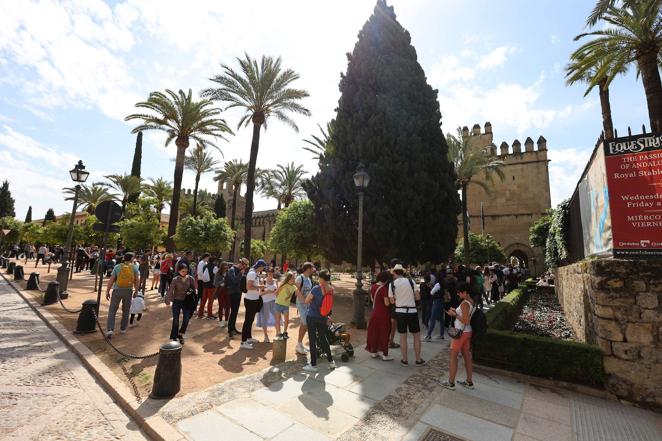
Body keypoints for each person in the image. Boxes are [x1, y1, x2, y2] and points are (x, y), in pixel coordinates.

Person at [440, 282, 476, 390]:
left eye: (459, 292)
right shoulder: (471, 301)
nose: (458, 294)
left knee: (453, 357)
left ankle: (451, 382)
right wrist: (456, 312)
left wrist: (454, 314)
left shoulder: (465, 303)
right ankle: (469, 382)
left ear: (465, 292)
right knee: (467, 356)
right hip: (467, 332)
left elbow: (466, 320)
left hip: (460, 332)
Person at [388, 263, 424, 366]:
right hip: (412, 311)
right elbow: (418, 298)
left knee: (402, 336)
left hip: (400, 312)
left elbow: (391, 302)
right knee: (416, 336)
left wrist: (398, 298)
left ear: (394, 273)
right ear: (403, 272)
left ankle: (405, 360)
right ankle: (418, 359)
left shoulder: (392, 284)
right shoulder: (411, 281)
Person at [303, 270, 336, 372]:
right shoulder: (331, 289)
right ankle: (331, 361)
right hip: (323, 317)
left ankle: (313, 365)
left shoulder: (316, 288)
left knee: (312, 340)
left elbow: (306, 301)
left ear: (321, 278)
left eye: (319, 277)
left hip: (312, 316)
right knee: (323, 338)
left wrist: (313, 300)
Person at [105, 253, 139, 339]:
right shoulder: (134, 267)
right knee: (126, 310)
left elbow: (111, 280)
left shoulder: (117, 266)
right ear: (131, 258)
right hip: (128, 290)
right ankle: (123, 328)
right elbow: (137, 280)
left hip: (117, 290)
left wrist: (108, 291)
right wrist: (136, 291)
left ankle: (110, 329)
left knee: (112, 310)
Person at [165, 262, 196, 344]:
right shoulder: (175, 279)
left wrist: (190, 293)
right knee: (176, 320)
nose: (184, 273)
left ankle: (180, 334)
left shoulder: (191, 279)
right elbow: (170, 289)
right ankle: (174, 337)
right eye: (182, 271)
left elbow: (194, 289)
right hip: (177, 301)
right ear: (178, 271)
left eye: (186, 271)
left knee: (186, 319)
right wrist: (168, 300)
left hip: (187, 302)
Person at [365, 270, 393, 361]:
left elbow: (373, 300)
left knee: (375, 333)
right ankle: (385, 354)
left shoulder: (373, 287)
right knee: (384, 333)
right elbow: (387, 303)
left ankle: (374, 351)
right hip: (383, 314)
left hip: (375, 313)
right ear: (386, 279)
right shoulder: (383, 289)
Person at [241, 259, 267, 349]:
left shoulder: (255, 273)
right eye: (263, 267)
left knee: (250, 320)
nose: (263, 269)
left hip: (254, 299)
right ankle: (243, 341)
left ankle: (248, 338)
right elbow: (248, 287)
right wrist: (260, 286)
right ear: (259, 266)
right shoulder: (252, 273)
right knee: (248, 320)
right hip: (250, 300)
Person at [295, 262, 315, 355]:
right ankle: (299, 345)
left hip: (307, 305)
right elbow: (296, 291)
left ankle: (299, 344)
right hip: (301, 304)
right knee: (305, 323)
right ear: (308, 269)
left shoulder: (309, 279)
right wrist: (304, 300)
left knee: (303, 324)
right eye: (312, 268)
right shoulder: (300, 278)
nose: (313, 269)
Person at [226, 258, 249, 338]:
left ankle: (233, 328)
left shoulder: (240, 270)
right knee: (232, 312)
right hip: (232, 293)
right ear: (242, 264)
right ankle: (230, 330)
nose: (245, 268)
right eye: (245, 266)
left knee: (235, 312)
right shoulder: (232, 269)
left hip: (238, 293)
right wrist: (240, 274)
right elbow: (234, 281)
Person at [256, 268, 278, 342]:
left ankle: (278, 334)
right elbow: (260, 293)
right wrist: (268, 291)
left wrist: (275, 292)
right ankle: (266, 336)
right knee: (265, 319)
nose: (270, 273)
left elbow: (277, 293)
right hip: (265, 302)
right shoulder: (263, 281)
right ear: (267, 273)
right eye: (269, 272)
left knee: (277, 318)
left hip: (274, 301)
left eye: (272, 272)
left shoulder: (275, 281)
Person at [274, 272, 296, 339]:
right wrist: (280, 298)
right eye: (292, 278)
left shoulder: (294, 287)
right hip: (278, 304)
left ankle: (285, 332)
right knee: (277, 319)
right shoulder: (283, 285)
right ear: (288, 279)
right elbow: (276, 293)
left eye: (294, 278)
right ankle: (278, 333)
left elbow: (298, 294)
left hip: (286, 305)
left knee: (287, 320)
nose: (293, 279)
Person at [425, 275, 446, 341]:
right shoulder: (443, 284)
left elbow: (431, 293)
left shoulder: (437, 284)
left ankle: (428, 335)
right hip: (442, 302)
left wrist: (431, 287)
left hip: (437, 302)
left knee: (432, 318)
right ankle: (441, 335)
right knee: (441, 319)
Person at [213, 261, 230, 328]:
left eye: (227, 267)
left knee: (228, 307)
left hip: (228, 291)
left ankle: (226, 321)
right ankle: (220, 321)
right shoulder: (218, 274)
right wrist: (223, 280)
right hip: (221, 292)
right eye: (224, 267)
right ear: (221, 267)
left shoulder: (229, 273)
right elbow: (215, 283)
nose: (226, 268)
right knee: (221, 306)